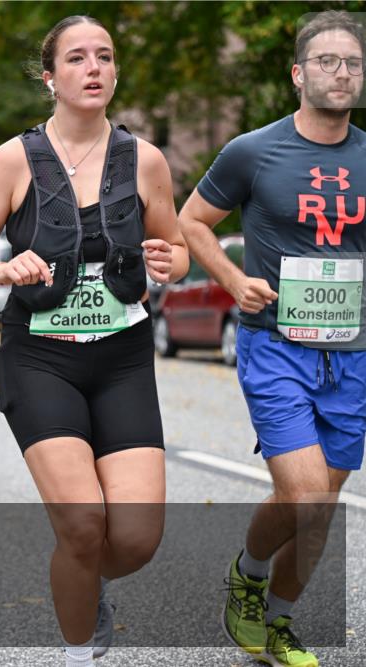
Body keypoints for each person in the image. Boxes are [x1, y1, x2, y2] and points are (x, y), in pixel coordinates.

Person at [0, 15, 189, 667]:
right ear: (50, 77)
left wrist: (170, 261)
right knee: (83, 525)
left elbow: (176, 248)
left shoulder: (145, 160)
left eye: (104, 56)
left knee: (134, 540)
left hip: (123, 357)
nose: (94, 68)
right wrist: (1, 271)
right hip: (40, 356)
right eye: (77, 57)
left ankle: (82, 576)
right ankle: (80, 644)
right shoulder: (13, 159)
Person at [179, 11, 365, 667]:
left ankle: (278, 623)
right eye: (326, 61)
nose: (340, 72)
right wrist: (234, 280)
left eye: (353, 63)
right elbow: (192, 221)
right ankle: (249, 572)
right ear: (297, 74)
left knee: (322, 505)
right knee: (306, 490)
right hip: (276, 346)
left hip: (353, 354)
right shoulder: (253, 151)